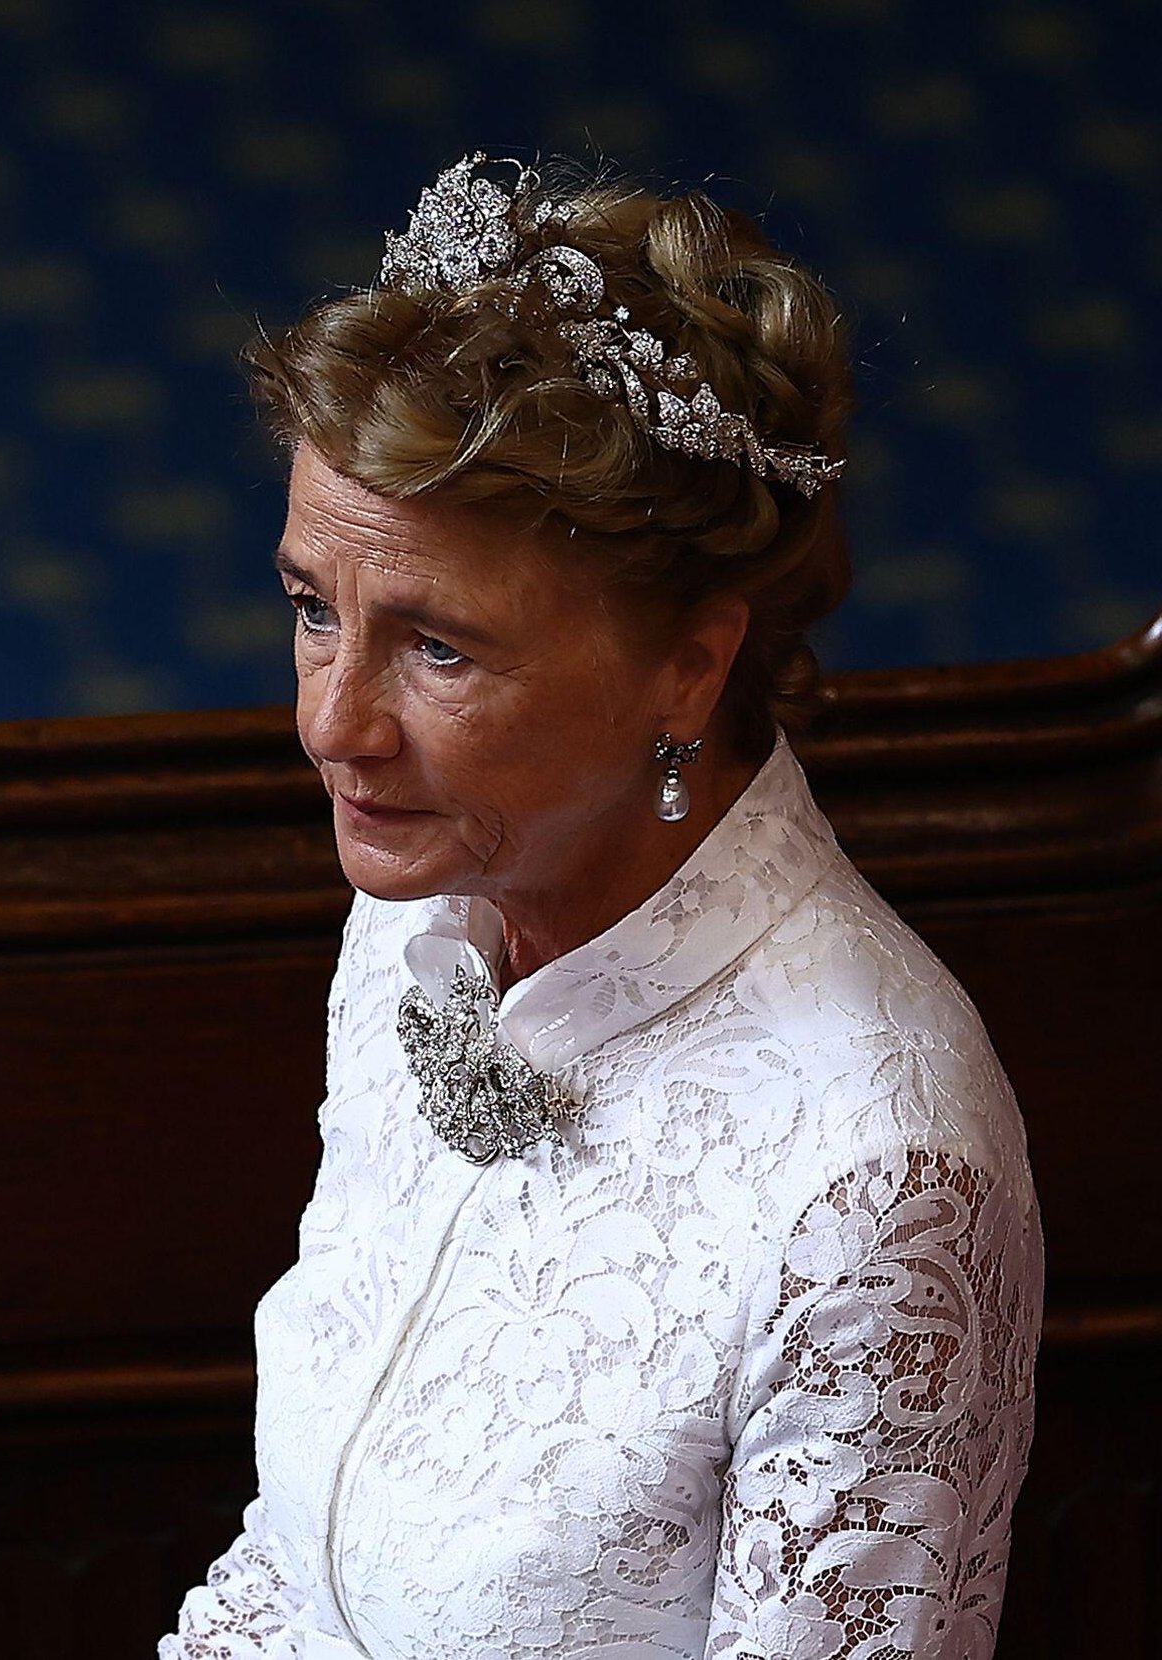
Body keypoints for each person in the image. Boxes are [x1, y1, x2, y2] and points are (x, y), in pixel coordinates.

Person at [160, 153, 1042, 1660]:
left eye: (439, 647)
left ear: (689, 668)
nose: (331, 725)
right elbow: (304, 1561)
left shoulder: (875, 1171)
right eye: (313, 608)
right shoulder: (423, 917)